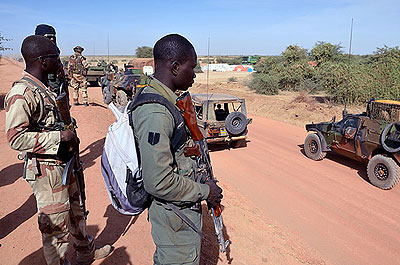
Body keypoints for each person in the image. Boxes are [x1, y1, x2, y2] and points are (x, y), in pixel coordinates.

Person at [4, 35, 113, 265]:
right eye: (55, 56)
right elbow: (15, 138)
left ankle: (86, 251)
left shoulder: (44, 88)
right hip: (47, 171)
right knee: (55, 228)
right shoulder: (22, 93)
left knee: (76, 212)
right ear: (43, 61)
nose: (60, 61)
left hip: (64, 164)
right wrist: (59, 137)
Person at [131, 34, 223, 265]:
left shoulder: (166, 99)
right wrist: (205, 191)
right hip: (174, 216)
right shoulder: (156, 112)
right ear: (174, 67)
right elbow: (158, 182)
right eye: (191, 68)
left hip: (177, 210)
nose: (194, 75)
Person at [34, 24, 66, 96]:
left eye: (53, 37)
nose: (52, 39)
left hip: (56, 87)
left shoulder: (56, 51)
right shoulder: (34, 52)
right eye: (48, 37)